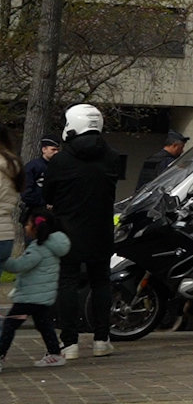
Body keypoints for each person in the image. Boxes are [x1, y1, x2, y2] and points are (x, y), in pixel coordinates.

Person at [44, 104, 122, 359]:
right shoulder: (111, 155)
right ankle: (101, 338)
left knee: (68, 282)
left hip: (68, 230)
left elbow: (48, 195)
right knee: (101, 282)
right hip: (100, 228)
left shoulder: (61, 160)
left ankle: (70, 342)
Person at [0, 214, 69, 370]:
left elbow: (20, 266)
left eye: (28, 224)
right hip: (43, 296)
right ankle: (55, 353)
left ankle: (1, 353)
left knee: (10, 324)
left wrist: (4, 260)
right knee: (43, 324)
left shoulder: (38, 248)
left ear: (37, 228)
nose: (25, 227)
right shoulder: (51, 247)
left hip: (29, 297)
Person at [20, 140, 55, 219]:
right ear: (44, 149)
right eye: (53, 149)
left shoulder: (59, 167)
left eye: (57, 150)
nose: (56, 152)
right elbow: (26, 193)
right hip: (35, 211)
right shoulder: (32, 167)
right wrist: (43, 203)